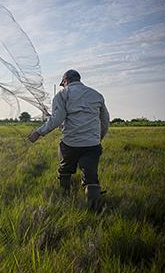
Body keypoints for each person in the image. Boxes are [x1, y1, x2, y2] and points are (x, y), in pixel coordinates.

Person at [28, 70, 109, 211]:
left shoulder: (62, 95)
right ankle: (94, 210)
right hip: (92, 144)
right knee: (91, 176)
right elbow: (105, 120)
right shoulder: (96, 95)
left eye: (63, 84)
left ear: (65, 81)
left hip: (70, 144)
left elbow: (57, 119)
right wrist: (98, 137)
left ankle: (65, 197)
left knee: (65, 169)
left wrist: (38, 133)